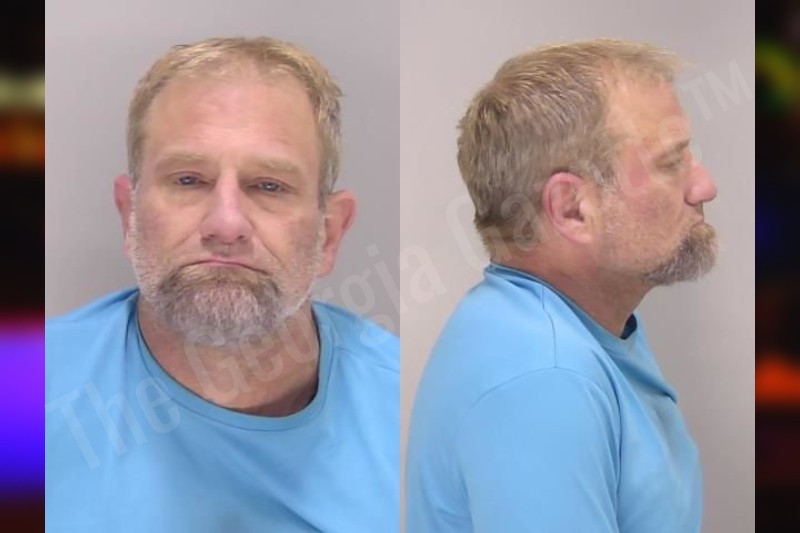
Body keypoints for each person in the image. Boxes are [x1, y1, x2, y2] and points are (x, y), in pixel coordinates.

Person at [46, 37, 398, 532]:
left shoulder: (410, 409)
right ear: (129, 215)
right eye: (188, 180)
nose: (226, 224)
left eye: (269, 186)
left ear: (331, 233)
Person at [406, 39, 718, 532]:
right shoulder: (543, 378)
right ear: (572, 209)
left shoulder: (573, 322)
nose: (704, 186)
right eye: (670, 162)